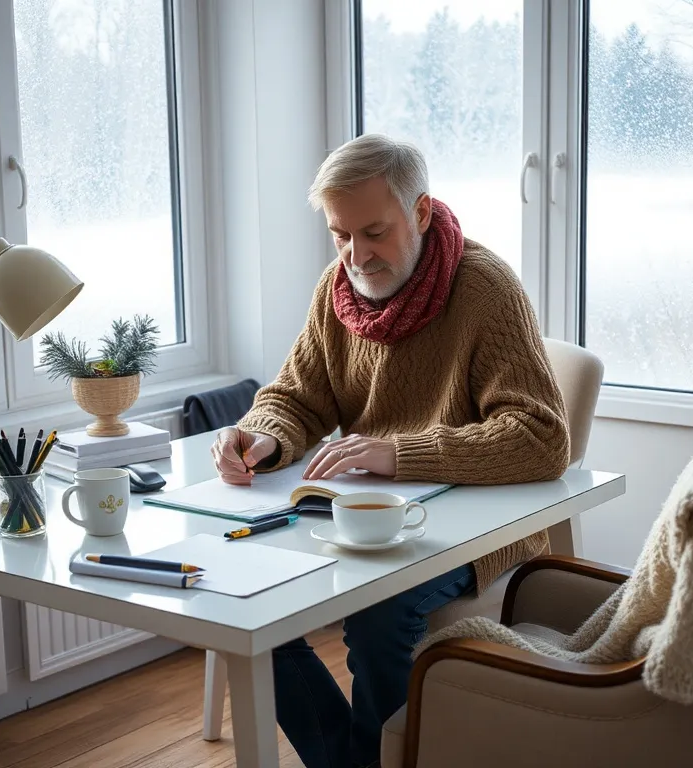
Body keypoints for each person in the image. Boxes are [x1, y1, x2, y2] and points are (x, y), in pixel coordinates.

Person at [211, 134, 570, 768]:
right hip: (360, 517)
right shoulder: (337, 291)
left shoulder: (486, 290)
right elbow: (296, 397)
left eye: (374, 232)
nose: (356, 256)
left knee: (378, 612)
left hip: (472, 530)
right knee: (239, 595)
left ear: (421, 212)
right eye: (340, 236)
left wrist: (400, 453)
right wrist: (265, 434)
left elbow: (542, 438)